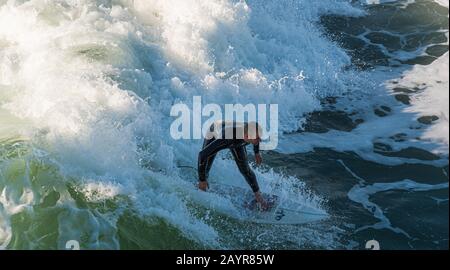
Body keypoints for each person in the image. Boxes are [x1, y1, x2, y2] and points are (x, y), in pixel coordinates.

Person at [197, 120, 269, 210]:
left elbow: (256, 139)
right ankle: (201, 186)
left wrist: (257, 152)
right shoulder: (227, 138)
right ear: (247, 136)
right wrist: (202, 179)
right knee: (206, 163)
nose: (260, 140)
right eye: (257, 138)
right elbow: (201, 155)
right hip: (215, 132)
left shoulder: (250, 130)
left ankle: (258, 196)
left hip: (235, 134)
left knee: (245, 169)